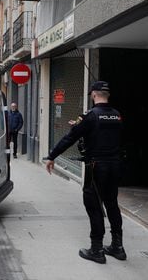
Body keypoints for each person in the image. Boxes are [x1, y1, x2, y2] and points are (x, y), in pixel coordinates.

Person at [45, 81, 126, 264]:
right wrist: (83, 127)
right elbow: (107, 135)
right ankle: (117, 246)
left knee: (94, 205)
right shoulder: (117, 115)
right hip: (114, 165)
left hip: (96, 166)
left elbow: (70, 138)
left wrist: (52, 156)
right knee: (112, 204)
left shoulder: (90, 116)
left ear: (94, 94)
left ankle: (97, 249)